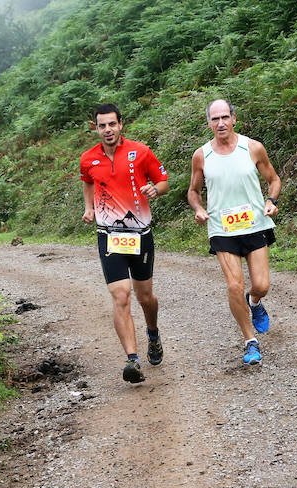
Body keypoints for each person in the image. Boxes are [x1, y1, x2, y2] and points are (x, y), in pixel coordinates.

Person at [187, 99, 281, 365]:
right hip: (222, 229)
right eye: (215, 119)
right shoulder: (201, 155)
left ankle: (255, 302)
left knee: (261, 285)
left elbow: (274, 180)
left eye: (225, 117)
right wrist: (198, 208)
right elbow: (193, 191)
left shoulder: (252, 148)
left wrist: (271, 201)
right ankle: (250, 341)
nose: (220, 123)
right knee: (233, 286)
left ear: (234, 118)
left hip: (254, 225)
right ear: (208, 123)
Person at [80, 103, 170, 383]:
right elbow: (87, 182)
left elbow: (163, 180)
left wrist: (155, 189)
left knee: (145, 297)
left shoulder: (140, 151)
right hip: (109, 235)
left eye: (111, 124)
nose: (107, 130)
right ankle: (133, 360)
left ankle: (152, 333)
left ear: (121, 124)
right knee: (121, 295)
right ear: (95, 128)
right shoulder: (88, 159)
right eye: (101, 125)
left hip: (140, 234)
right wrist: (89, 208)